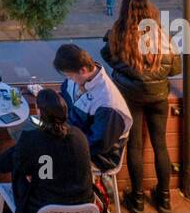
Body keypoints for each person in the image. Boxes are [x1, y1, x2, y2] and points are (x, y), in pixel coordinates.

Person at [103, 0, 182, 213]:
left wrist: (124, 69)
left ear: (124, 11)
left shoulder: (119, 34)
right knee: (161, 145)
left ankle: (137, 199)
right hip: (159, 97)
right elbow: (176, 68)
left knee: (135, 146)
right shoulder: (161, 35)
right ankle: (164, 199)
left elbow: (106, 55)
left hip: (131, 97)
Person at [0, 89, 92, 213]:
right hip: (83, 207)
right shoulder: (80, 136)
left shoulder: (30, 140)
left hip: (42, 207)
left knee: (19, 167)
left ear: (39, 112)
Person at [52, 44, 132, 197]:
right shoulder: (78, 79)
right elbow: (65, 93)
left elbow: (97, 144)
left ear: (83, 70)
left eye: (69, 76)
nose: (69, 80)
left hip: (100, 157)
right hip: (73, 135)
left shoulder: (109, 103)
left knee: (44, 153)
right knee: (33, 139)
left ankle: (60, 200)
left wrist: (62, 142)